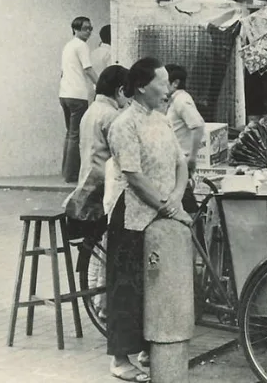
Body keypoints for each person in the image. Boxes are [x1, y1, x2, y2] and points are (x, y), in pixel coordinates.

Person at [106, 57, 192, 382]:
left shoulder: (163, 120)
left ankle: (149, 345)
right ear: (142, 86)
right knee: (126, 286)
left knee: (154, 282)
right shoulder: (124, 124)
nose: (169, 88)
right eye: (162, 82)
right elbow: (134, 175)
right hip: (132, 217)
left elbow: (180, 164)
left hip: (161, 218)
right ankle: (120, 358)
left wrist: (176, 197)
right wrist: (168, 206)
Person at [62, 65, 129, 323]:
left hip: (88, 186)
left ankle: (96, 303)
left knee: (97, 251)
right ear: (120, 90)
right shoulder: (112, 116)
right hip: (104, 189)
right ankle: (102, 305)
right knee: (110, 250)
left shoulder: (91, 111)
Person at [60, 16, 99, 182]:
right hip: (78, 95)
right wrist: (101, 84)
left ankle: (66, 172)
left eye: (90, 28)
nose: (89, 32)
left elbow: (62, 72)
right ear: (75, 29)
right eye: (85, 28)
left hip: (64, 94)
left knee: (70, 134)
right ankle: (72, 174)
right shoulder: (82, 46)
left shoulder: (68, 46)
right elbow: (88, 69)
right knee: (77, 135)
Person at [165, 63, 205, 213]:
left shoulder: (181, 100)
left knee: (185, 201)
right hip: (175, 159)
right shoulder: (174, 100)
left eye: (164, 82)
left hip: (181, 159)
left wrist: (192, 157)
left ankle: (198, 233)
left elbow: (198, 126)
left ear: (175, 83)